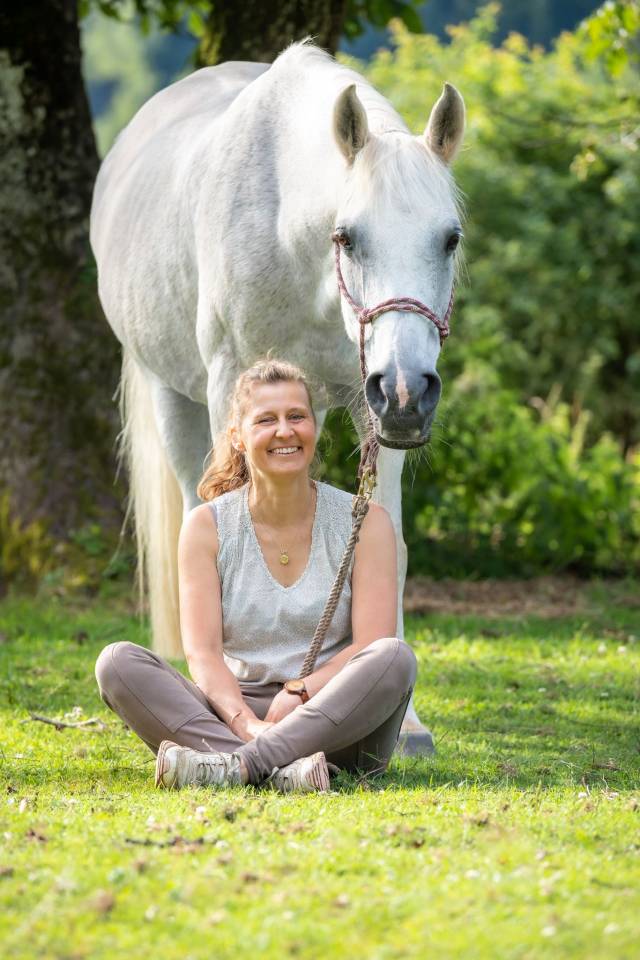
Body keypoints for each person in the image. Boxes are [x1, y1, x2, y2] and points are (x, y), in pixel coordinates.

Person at [95, 358, 417, 793]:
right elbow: (205, 656)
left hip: (337, 720)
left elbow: (369, 645)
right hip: (235, 712)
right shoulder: (206, 527)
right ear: (238, 436)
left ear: (313, 428)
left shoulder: (366, 521)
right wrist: (246, 724)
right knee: (117, 663)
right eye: (266, 419)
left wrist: (300, 692)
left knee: (395, 657)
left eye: (296, 416)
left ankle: (234, 766)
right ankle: (280, 771)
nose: (284, 430)